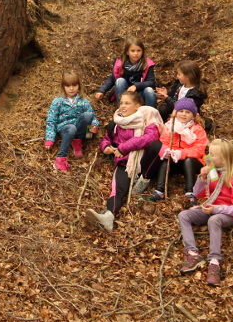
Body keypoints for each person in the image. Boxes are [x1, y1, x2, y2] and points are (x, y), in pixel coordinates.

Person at [86, 91, 163, 232]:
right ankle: (109, 217)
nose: (122, 106)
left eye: (127, 103)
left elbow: (151, 138)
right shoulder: (117, 123)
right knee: (117, 190)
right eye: (121, 103)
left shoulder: (146, 120)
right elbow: (106, 140)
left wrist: (124, 147)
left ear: (137, 106)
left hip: (143, 162)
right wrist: (107, 147)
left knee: (157, 146)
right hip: (124, 163)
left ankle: (142, 181)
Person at [177, 138, 233, 286]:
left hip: (228, 213)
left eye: (212, 155)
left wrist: (216, 209)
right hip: (211, 208)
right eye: (209, 153)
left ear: (223, 159)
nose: (208, 157)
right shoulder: (213, 172)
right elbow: (197, 194)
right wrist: (202, 177)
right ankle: (192, 253)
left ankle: (214, 262)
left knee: (214, 220)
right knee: (184, 215)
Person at [151, 98, 208, 202]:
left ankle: (190, 193)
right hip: (174, 160)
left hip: (193, 162)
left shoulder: (197, 129)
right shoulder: (170, 126)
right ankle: (159, 191)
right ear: (176, 112)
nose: (183, 114)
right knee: (164, 160)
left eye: (188, 112)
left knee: (188, 161)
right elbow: (164, 141)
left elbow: (199, 149)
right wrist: (169, 152)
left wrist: (180, 153)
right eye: (181, 111)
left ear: (193, 115)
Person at [44, 70, 100, 172]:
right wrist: (50, 138)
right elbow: (51, 120)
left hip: (80, 130)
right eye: (68, 86)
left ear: (79, 86)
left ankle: (77, 142)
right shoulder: (58, 102)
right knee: (71, 128)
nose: (71, 88)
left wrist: (94, 125)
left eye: (74, 85)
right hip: (65, 128)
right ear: (63, 87)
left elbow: (93, 116)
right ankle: (60, 159)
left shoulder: (83, 101)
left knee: (88, 115)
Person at [94, 37, 157, 107]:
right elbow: (112, 78)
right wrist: (102, 90)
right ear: (127, 52)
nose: (136, 53)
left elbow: (151, 82)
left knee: (149, 90)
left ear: (142, 52)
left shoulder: (147, 64)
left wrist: (136, 86)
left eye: (138, 51)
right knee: (120, 81)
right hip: (126, 93)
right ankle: (122, 108)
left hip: (140, 94)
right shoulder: (121, 64)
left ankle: (150, 114)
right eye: (132, 51)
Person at [156, 59, 209, 126]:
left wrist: (167, 98)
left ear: (187, 77)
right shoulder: (180, 84)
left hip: (186, 113)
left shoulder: (195, 94)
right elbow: (174, 95)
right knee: (163, 108)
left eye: (179, 74)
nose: (177, 76)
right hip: (175, 108)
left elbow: (182, 106)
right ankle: (164, 124)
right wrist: (166, 93)